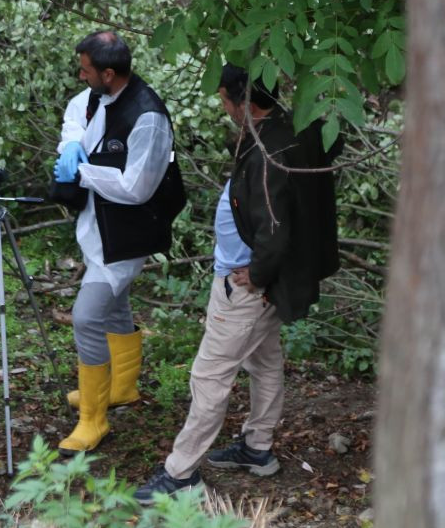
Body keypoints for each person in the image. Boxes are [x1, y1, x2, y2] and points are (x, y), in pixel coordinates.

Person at [135, 64, 340, 503]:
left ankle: (181, 472)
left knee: (209, 374)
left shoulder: (271, 150)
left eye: (225, 100)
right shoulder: (290, 126)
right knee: (264, 362)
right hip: (262, 280)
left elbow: (275, 227)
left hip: (247, 285)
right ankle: (257, 448)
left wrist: (260, 274)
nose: (223, 107)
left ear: (242, 101)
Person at [51, 31, 185, 456]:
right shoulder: (96, 96)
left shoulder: (147, 117)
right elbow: (75, 116)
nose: (80, 75)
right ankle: (122, 387)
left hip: (128, 234)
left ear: (109, 73)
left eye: (86, 70)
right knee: (117, 305)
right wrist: (72, 143)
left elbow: (137, 187)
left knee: (88, 316)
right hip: (99, 227)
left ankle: (93, 420)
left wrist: (82, 172)